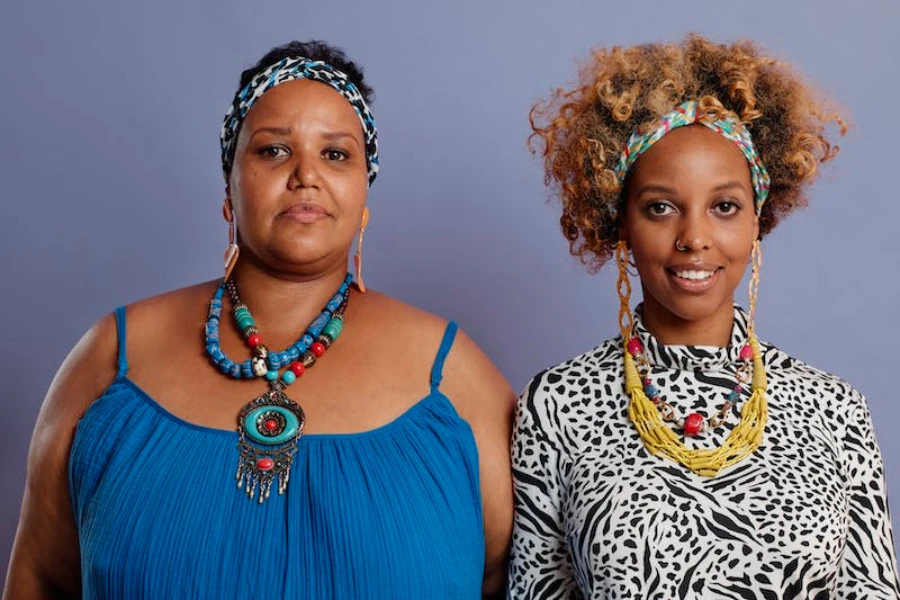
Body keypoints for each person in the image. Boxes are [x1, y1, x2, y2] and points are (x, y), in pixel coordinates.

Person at [4, 40, 514, 599]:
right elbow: (39, 580)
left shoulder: (453, 378)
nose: (305, 175)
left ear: (365, 196)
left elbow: (514, 581)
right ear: (228, 190)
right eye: (273, 150)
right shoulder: (110, 359)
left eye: (336, 154)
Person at [508, 34, 900, 599]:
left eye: (724, 207)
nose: (695, 238)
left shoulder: (836, 411)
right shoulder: (555, 406)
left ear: (757, 222)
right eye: (661, 207)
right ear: (622, 224)